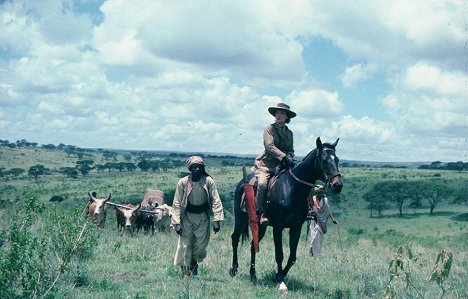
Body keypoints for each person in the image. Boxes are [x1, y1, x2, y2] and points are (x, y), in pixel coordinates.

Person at [171, 156, 224, 276]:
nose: (196, 169)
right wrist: (177, 223)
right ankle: (185, 272)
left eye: (199, 167)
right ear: (190, 169)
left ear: (202, 168)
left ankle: (194, 261)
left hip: (203, 217)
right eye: (194, 167)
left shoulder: (208, 181)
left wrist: (217, 220)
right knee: (185, 244)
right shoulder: (183, 182)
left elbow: (216, 200)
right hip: (187, 217)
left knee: (200, 246)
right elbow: (177, 203)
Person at [252, 102, 296, 224]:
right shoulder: (269, 129)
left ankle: (304, 210)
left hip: (283, 166)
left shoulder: (289, 133)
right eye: (277, 113)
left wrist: (291, 156)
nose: (279, 115)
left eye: (282, 113)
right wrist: (284, 156)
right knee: (262, 184)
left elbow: (291, 149)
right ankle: (261, 212)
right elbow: (269, 146)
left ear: (287, 117)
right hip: (267, 165)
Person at [308, 184, 338, 256]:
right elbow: (318, 208)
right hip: (315, 220)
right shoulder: (314, 197)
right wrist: (319, 208)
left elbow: (328, 209)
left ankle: (317, 253)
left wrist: (333, 219)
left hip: (322, 221)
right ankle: (313, 253)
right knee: (314, 236)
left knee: (319, 238)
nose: (320, 193)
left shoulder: (325, 199)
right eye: (318, 192)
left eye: (321, 192)